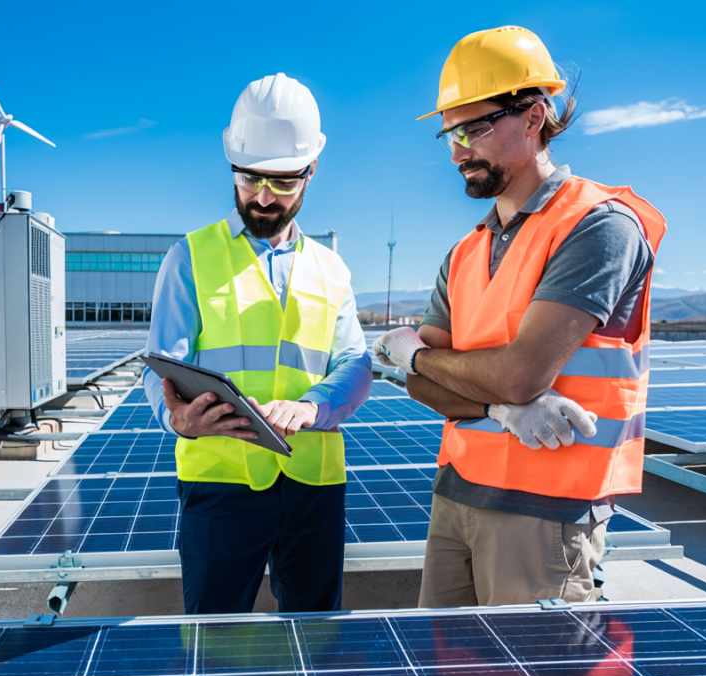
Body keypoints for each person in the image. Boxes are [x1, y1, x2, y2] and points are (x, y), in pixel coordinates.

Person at [375, 27, 666, 608]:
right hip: (456, 494)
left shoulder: (597, 226)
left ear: (533, 118)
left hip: (546, 511)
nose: (457, 150)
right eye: (449, 134)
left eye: (472, 128)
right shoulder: (465, 252)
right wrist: (496, 407)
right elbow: (421, 386)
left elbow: (519, 374)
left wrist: (419, 353)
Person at [145, 73, 372, 615]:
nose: (264, 197)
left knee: (315, 631)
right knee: (214, 634)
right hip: (220, 483)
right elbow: (161, 367)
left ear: (311, 172)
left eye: (283, 182)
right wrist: (177, 418)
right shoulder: (190, 257)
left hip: (313, 482)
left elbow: (355, 364)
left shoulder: (331, 269)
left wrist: (311, 407)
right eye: (249, 180)